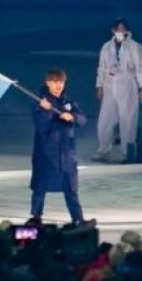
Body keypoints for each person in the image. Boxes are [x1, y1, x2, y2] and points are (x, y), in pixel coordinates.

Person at [29, 68, 94, 227]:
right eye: (55, 82)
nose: (59, 86)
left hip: (67, 153)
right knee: (40, 186)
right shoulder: (40, 102)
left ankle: (77, 218)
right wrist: (46, 112)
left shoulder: (69, 102)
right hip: (46, 152)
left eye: (61, 82)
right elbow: (41, 127)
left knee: (70, 188)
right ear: (48, 83)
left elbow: (83, 120)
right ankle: (36, 217)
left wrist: (72, 116)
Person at [92, 17, 142, 163]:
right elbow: (102, 68)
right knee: (105, 118)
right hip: (110, 84)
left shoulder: (135, 46)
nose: (121, 32)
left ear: (128, 31)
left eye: (124, 29)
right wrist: (99, 85)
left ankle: (127, 152)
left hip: (128, 84)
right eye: (119, 29)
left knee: (128, 119)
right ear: (113, 30)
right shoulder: (106, 47)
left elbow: (141, 68)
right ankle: (103, 150)